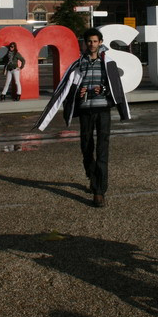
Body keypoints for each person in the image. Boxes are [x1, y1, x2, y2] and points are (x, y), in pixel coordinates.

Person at [34, 28, 131, 207]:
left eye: (95, 41)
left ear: (100, 42)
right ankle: (92, 175)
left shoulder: (108, 63)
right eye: (89, 41)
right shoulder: (78, 64)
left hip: (103, 111)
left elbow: (116, 88)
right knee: (86, 148)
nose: (92, 44)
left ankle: (99, 191)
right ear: (84, 43)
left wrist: (102, 90)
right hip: (85, 111)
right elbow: (65, 89)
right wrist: (79, 92)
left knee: (102, 150)